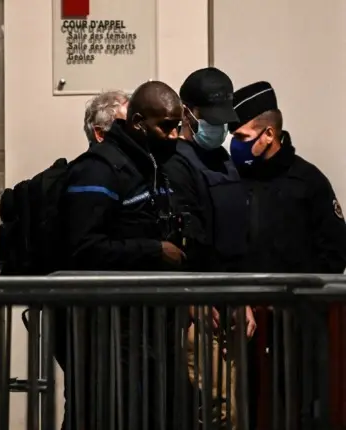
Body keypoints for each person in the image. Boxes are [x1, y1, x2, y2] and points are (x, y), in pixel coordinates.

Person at [58, 80, 185, 430]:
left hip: (145, 324)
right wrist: (154, 250)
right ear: (139, 122)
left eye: (178, 126)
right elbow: (83, 247)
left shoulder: (147, 166)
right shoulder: (98, 169)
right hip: (106, 327)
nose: (174, 136)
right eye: (166, 127)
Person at [230, 81, 346, 428]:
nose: (235, 143)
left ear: (269, 134)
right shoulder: (231, 178)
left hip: (299, 323)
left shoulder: (308, 181)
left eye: (243, 136)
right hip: (245, 323)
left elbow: (335, 252)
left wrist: (297, 297)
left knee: (301, 407)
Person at [163, 67, 255, 430]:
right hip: (198, 313)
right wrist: (192, 297)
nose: (218, 127)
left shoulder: (225, 162)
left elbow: (235, 237)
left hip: (228, 305)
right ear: (187, 113)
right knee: (216, 411)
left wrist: (242, 297)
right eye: (210, 118)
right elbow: (180, 242)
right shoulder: (176, 163)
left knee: (235, 412)